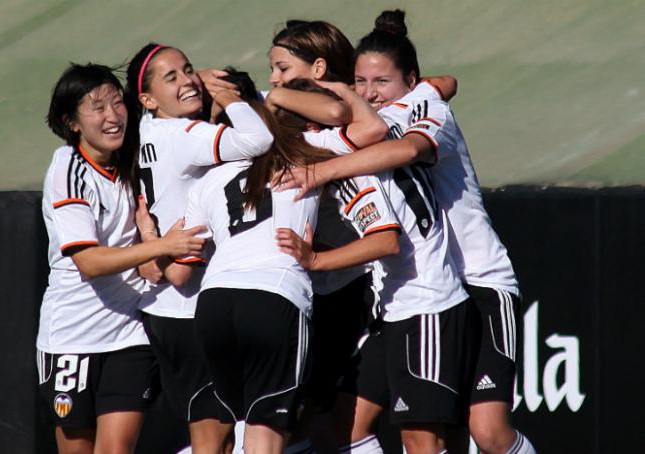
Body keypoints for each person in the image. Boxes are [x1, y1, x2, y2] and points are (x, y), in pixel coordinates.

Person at [279, 9, 536, 454]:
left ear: (410, 81)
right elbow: (437, 83)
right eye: (361, 81)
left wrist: (320, 172)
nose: (370, 92)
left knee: (487, 433)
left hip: (477, 282)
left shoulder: (428, 109)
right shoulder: (366, 116)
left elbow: (407, 147)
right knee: (347, 425)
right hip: (406, 293)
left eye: (381, 81)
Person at [38, 62, 205, 454]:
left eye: (117, 102)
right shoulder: (69, 169)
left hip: (131, 333)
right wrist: (163, 246)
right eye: (97, 107)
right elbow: (89, 263)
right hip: (72, 337)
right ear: (72, 122)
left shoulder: (134, 159)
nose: (112, 116)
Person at [124, 43, 274, 454]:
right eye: (171, 77)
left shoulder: (145, 130)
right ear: (148, 98)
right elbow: (257, 138)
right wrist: (227, 97)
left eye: (189, 70)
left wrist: (188, 82)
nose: (188, 80)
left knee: (218, 434)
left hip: (163, 307)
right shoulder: (185, 135)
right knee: (214, 436)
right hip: (188, 305)